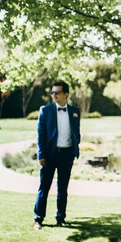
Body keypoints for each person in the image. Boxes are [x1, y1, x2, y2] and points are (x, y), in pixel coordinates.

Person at [33, 81, 81, 230]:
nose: (54, 95)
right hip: (50, 155)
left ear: (66, 94)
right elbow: (40, 134)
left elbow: (76, 132)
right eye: (52, 92)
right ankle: (38, 219)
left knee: (63, 189)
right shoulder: (45, 110)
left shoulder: (75, 111)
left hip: (67, 155)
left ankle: (61, 218)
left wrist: (74, 149)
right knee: (44, 187)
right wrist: (41, 155)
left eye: (57, 92)